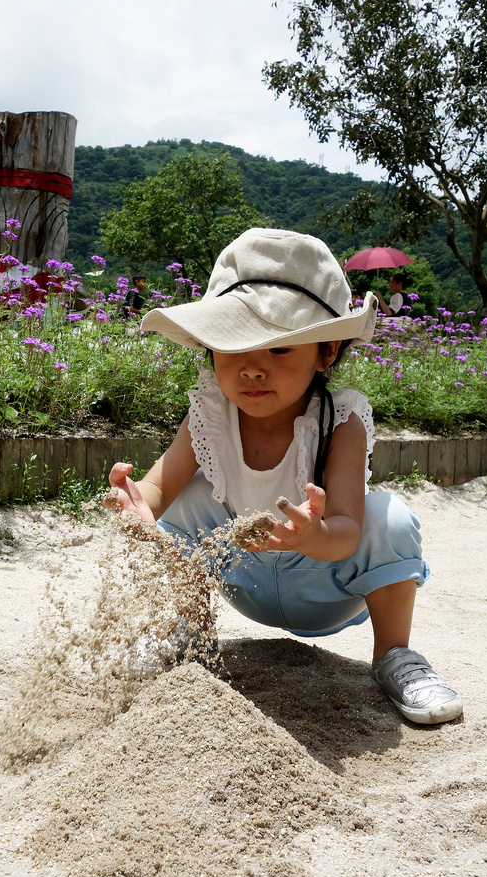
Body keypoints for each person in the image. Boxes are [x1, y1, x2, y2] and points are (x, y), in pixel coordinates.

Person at [104, 228, 462, 725]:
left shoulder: (341, 419)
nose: (252, 369)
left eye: (278, 350)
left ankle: (394, 657)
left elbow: (348, 530)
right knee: (187, 498)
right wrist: (137, 501)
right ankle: (189, 631)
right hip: (243, 574)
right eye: (233, 347)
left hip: (323, 583)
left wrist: (315, 536)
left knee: (392, 519)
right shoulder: (209, 411)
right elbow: (160, 488)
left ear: (326, 352)